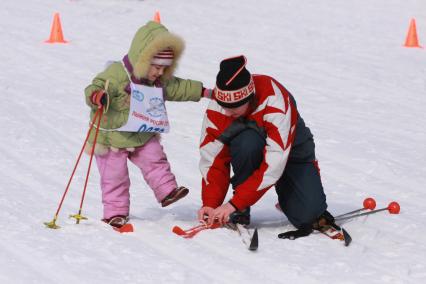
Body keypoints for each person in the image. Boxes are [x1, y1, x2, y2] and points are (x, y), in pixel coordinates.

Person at [84, 21, 211, 228]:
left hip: (141, 132)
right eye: (157, 67)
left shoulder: (157, 80)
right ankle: (115, 212)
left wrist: (204, 92)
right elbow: (95, 86)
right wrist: (97, 96)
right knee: (114, 176)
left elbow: (178, 87)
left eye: (164, 68)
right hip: (111, 137)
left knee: (154, 158)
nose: (160, 72)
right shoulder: (117, 73)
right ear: (142, 59)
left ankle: (167, 191)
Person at [197, 55, 336, 239]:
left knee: (309, 215)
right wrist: (211, 202)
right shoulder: (219, 106)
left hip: (291, 154)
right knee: (246, 143)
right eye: (224, 107)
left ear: (249, 97)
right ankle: (242, 209)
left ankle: (287, 196)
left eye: (234, 108)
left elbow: (274, 164)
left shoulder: (274, 100)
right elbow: (212, 158)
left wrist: (232, 204)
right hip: (251, 149)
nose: (228, 113)